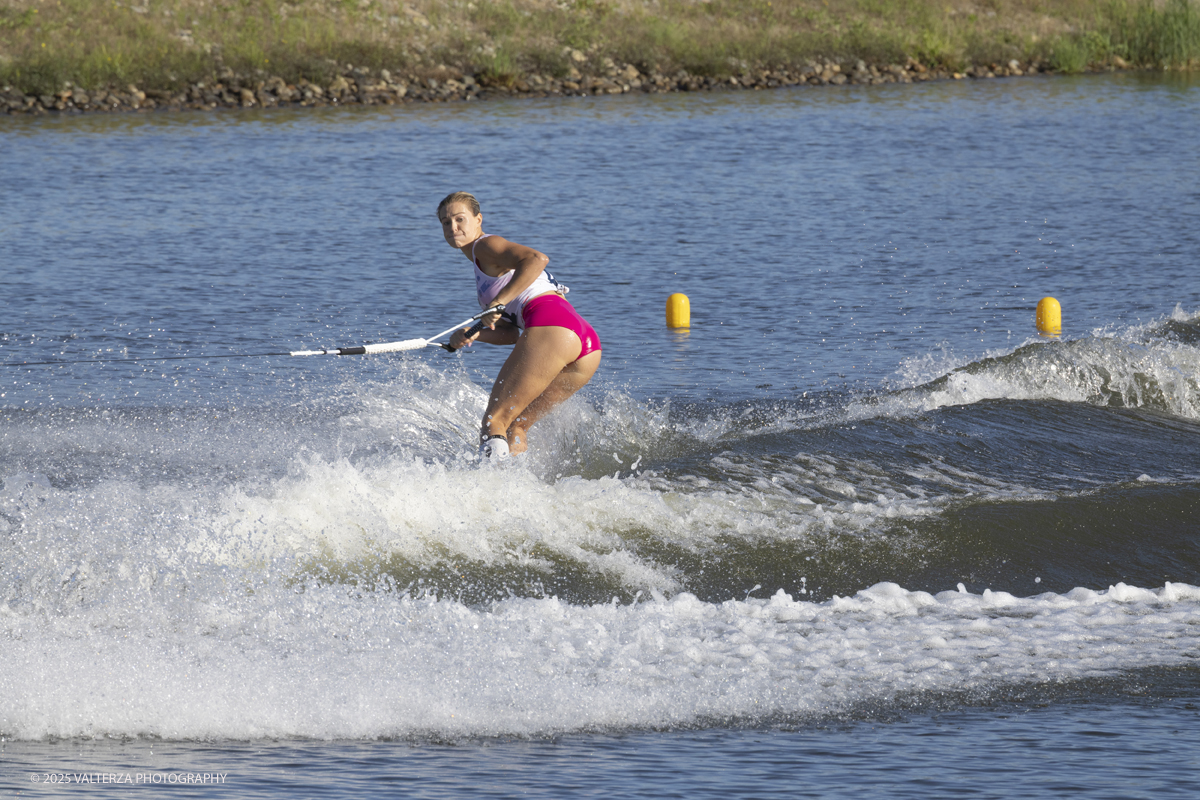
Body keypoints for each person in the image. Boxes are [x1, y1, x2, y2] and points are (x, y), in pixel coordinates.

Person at [437, 192, 602, 457]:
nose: (453, 227)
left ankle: (490, 481)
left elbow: (537, 259)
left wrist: (498, 302)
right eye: (446, 222)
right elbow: (511, 333)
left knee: (495, 421)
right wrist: (474, 334)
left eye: (459, 219)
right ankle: (516, 481)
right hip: (584, 342)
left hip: (552, 327)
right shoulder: (482, 268)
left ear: (478, 220)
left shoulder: (485, 246)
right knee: (516, 425)